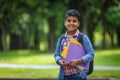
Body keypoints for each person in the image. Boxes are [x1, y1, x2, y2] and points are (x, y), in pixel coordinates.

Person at [54, 9, 94, 80]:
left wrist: (79, 61)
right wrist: (59, 61)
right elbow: (56, 54)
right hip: (63, 75)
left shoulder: (82, 38)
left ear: (78, 23)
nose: (71, 23)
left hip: (78, 75)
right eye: (68, 20)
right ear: (65, 23)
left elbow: (91, 54)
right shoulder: (62, 39)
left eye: (74, 21)